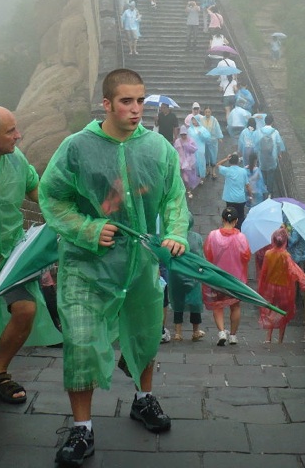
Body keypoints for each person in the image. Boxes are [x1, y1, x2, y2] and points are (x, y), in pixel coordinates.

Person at [39, 68, 189, 465]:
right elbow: (52, 197)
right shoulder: (77, 147)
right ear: (106, 103)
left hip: (140, 261)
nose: (136, 109)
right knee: (81, 341)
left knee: (145, 333)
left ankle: (144, 398)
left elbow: (175, 196)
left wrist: (176, 232)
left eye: (140, 100)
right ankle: (82, 428)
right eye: (126, 101)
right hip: (86, 264)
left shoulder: (158, 148)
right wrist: (87, 228)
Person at [0, 106, 59, 402]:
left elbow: (37, 192)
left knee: (25, 309)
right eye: (11, 131)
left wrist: (69, 219)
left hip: (10, 260)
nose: (19, 135)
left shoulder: (16, 161)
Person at [203, 207, 251, 346]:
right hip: (236, 279)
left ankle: (222, 332)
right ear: (236, 221)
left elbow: (208, 254)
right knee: (235, 306)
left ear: (222, 219)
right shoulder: (241, 238)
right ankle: (233, 335)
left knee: (218, 305)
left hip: (218, 277)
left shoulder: (212, 235)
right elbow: (246, 257)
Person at [258, 228, 305, 344]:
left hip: (271, 286)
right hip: (284, 288)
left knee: (271, 309)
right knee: (283, 312)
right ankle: (280, 339)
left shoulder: (268, 254)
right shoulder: (286, 255)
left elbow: (264, 272)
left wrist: (261, 287)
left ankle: (268, 337)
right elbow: (294, 271)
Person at [169, 213, 205, 342]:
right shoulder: (197, 237)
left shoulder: (173, 238)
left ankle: (178, 332)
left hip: (176, 274)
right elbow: (200, 256)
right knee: (195, 303)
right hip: (193, 274)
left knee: (177, 302)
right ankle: (195, 331)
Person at [216, 152, 251, 230]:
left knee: (230, 216)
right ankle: (239, 231)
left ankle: (230, 230)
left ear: (230, 161)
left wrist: (226, 158)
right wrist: (251, 195)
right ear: (238, 161)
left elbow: (218, 165)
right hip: (240, 199)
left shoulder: (227, 170)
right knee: (240, 217)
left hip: (230, 199)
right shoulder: (243, 171)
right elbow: (247, 185)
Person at [254, 114, 285, 196]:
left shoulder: (259, 132)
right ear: (272, 122)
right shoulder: (275, 132)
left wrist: (256, 155)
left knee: (263, 173)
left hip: (262, 157)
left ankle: (264, 190)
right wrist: (279, 154)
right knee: (271, 174)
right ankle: (270, 193)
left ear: (265, 121)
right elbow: (279, 144)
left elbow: (256, 144)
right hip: (272, 157)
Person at [174, 125, 199, 199]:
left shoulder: (191, 140)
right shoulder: (177, 141)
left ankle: (188, 190)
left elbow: (194, 149)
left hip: (190, 162)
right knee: (184, 178)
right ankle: (186, 190)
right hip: (181, 162)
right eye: (182, 134)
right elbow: (175, 151)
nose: (183, 136)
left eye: (184, 134)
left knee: (189, 177)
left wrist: (188, 146)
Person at [187, 113, 211, 183]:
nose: (194, 122)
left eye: (195, 120)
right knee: (193, 162)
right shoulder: (190, 129)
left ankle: (202, 177)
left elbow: (208, 138)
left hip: (200, 149)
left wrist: (202, 135)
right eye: (193, 120)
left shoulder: (203, 129)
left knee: (201, 162)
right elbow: (187, 139)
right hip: (192, 149)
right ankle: (194, 177)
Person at [200, 106, 223, 179]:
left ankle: (213, 171)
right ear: (204, 112)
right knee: (206, 155)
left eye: (209, 112)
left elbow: (217, 128)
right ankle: (207, 170)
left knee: (213, 155)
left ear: (211, 112)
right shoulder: (201, 120)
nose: (207, 113)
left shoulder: (214, 120)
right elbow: (199, 129)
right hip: (205, 141)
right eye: (206, 112)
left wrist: (219, 137)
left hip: (213, 140)